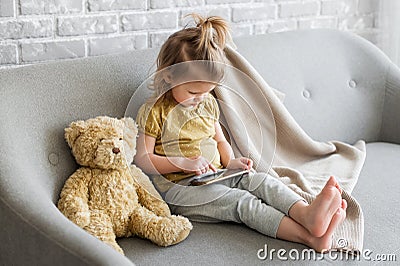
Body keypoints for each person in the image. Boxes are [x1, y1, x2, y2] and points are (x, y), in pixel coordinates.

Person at [134, 13, 347, 252]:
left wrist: (231, 161)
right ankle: (307, 238)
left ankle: (307, 214)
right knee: (243, 203)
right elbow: (142, 160)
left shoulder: (208, 104)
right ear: (169, 76)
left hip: (217, 175)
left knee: (261, 180)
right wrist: (180, 162)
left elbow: (220, 140)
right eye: (194, 92)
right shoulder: (155, 111)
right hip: (180, 189)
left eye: (208, 91)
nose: (201, 98)